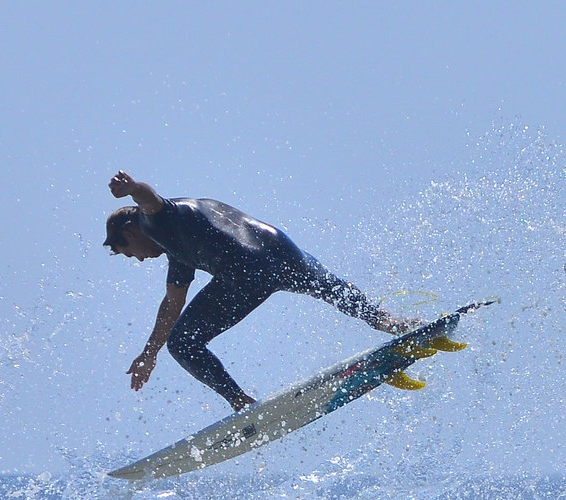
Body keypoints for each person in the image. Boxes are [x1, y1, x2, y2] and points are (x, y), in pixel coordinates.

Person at [104, 170, 419, 411]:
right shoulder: (178, 248)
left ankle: (241, 402)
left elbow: (149, 199)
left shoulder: (154, 223)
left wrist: (132, 189)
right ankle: (388, 322)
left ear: (130, 232)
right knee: (328, 287)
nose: (140, 259)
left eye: (131, 253)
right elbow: (172, 305)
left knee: (183, 345)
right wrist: (149, 353)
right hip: (279, 249)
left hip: (244, 270)